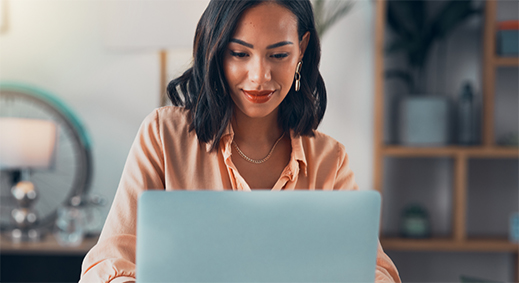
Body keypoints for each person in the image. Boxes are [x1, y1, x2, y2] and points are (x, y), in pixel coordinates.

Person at [80, 1, 400, 282]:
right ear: (216, 52)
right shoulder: (163, 135)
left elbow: (374, 269)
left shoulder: (329, 158)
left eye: (278, 54)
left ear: (301, 49)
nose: (259, 75)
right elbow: (109, 262)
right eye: (239, 53)